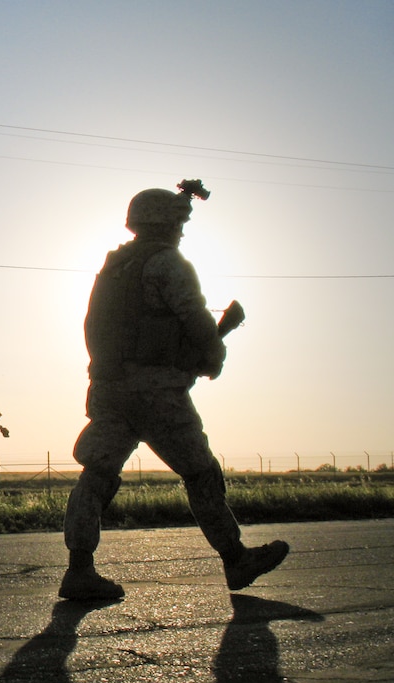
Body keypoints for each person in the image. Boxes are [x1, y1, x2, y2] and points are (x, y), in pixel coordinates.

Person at [60, 181, 289, 601]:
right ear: (163, 222)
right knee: (201, 473)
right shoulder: (168, 263)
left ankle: (79, 568)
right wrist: (213, 356)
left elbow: (96, 326)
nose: (182, 229)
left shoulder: (113, 267)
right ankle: (235, 558)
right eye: (179, 221)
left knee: (97, 475)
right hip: (157, 392)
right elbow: (197, 321)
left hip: (110, 389)